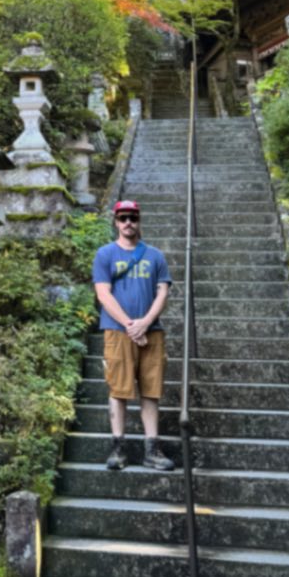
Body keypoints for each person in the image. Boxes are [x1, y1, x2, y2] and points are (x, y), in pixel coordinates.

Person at [91, 199, 175, 471]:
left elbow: (163, 291)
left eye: (133, 217)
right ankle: (118, 449)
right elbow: (103, 294)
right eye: (123, 217)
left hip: (152, 332)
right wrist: (131, 324)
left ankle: (152, 449)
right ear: (116, 221)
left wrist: (146, 322)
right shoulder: (105, 254)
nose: (129, 222)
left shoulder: (155, 256)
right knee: (118, 389)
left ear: (140, 220)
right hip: (117, 331)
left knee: (151, 391)